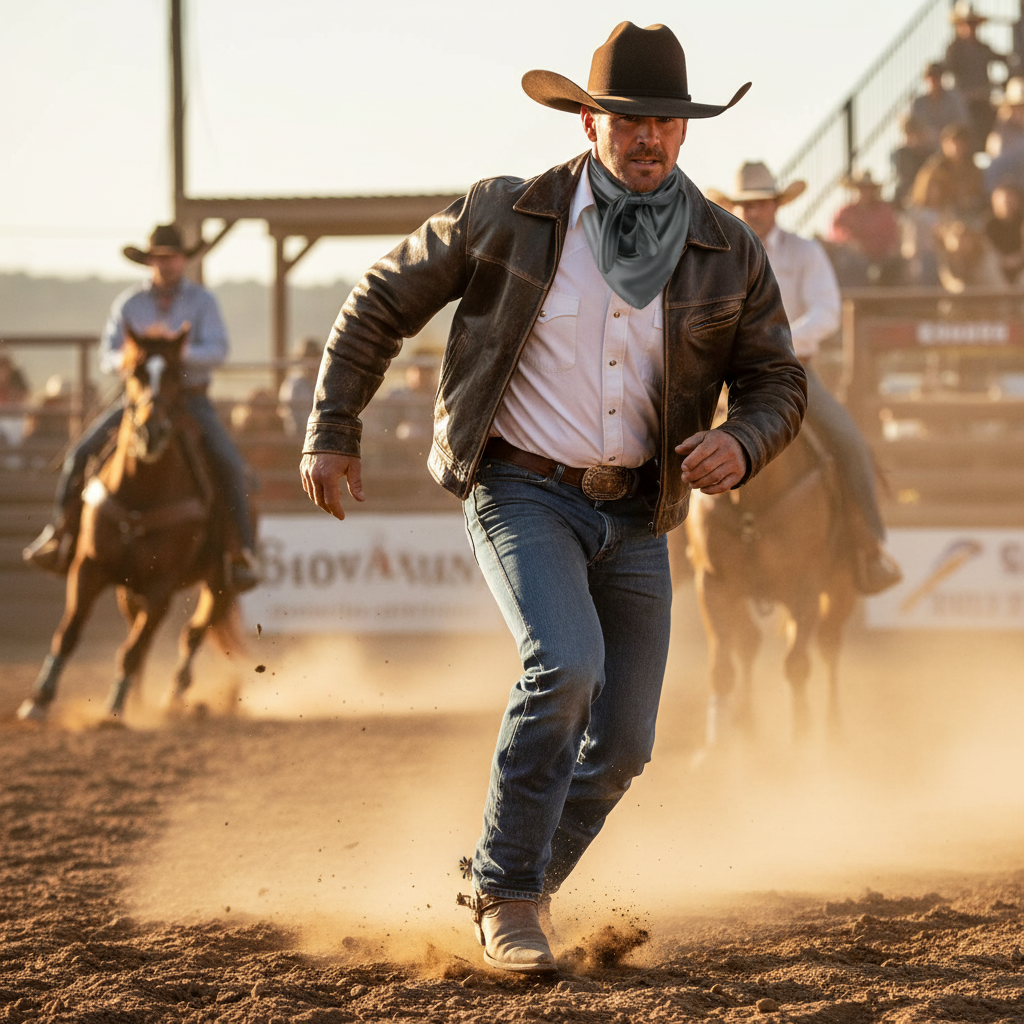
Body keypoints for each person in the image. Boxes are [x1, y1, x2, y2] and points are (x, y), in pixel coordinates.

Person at [300, 22, 806, 975]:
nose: (648, 138)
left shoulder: (726, 247)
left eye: (665, 121)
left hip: (639, 516)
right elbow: (380, 301)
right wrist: (333, 426)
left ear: (686, 132)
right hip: (521, 486)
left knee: (624, 746)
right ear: (587, 121)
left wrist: (743, 438)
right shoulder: (507, 213)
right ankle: (513, 899)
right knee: (564, 666)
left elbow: (779, 377)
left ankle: (503, 877)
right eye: (627, 120)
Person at [23, 224, 259, 591]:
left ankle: (240, 551)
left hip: (189, 400)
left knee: (229, 463)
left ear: (183, 260)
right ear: (150, 262)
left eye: (172, 257)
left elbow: (218, 350)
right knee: (82, 453)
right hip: (138, 401)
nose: (166, 264)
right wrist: (138, 358)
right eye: (160, 258)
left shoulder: (202, 303)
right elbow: (108, 355)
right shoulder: (130, 304)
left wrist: (173, 352)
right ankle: (58, 534)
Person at [709, 163, 903, 596]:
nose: (752, 211)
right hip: (725, 376)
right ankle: (659, 544)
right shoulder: (719, 254)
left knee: (849, 441)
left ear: (776, 205)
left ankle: (869, 548)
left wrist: (773, 342)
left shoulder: (803, 253)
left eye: (760, 203)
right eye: (745, 204)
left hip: (791, 372)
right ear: (736, 207)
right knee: (666, 434)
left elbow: (826, 310)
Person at [943, 2, 1006, 151]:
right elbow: (947, 71)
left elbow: (1004, 59)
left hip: (984, 100)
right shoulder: (954, 50)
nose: (970, 28)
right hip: (964, 103)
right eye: (966, 23)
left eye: (973, 24)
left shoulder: (983, 48)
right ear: (959, 26)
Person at [827, 170, 903, 285]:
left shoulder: (884, 211)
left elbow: (890, 236)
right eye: (861, 188)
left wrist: (869, 247)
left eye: (868, 188)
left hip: (881, 259)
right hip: (853, 261)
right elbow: (837, 233)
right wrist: (851, 242)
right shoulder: (845, 212)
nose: (864, 192)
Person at [910, 122, 988, 217]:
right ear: (943, 144)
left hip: (968, 216)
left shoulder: (973, 169)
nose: (955, 147)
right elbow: (920, 198)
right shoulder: (933, 170)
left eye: (959, 143)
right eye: (951, 143)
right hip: (938, 216)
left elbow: (978, 194)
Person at [909, 62, 971, 150]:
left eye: (936, 76)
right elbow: (913, 127)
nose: (933, 80)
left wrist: (947, 134)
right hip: (925, 146)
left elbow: (963, 122)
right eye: (930, 76)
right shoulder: (918, 103)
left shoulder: (954, 98)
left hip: (950, 145)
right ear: (925, 79)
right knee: (898, 154)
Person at [984, 77, 1024, 193]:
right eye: (1016, 107)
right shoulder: (1000, 134)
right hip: (1012, 193)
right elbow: (996, 155)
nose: (1020, 111)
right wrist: (1002, 122)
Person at [278, 337, 323, 438]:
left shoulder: (322, 382)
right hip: (299, 439)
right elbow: (292, 421)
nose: (312, 361)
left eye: (315, 356)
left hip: (318, 436)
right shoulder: (294, 384)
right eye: (308, 357)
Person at [891, 115, 936, 209]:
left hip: (927, 199)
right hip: (904, 198)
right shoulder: (900, 154)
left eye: (916, 134)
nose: (914, 138)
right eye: (909, 134)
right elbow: (904, 178)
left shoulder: (930, 153)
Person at [984, 179, 1024, 284]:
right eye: (1002, 198)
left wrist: (1018, 259)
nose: (1006, 201)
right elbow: (987, 250)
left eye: (1010, 196)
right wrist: (1003, 261)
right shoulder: (988, 224)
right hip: (997, 271)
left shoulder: (1022, 221)